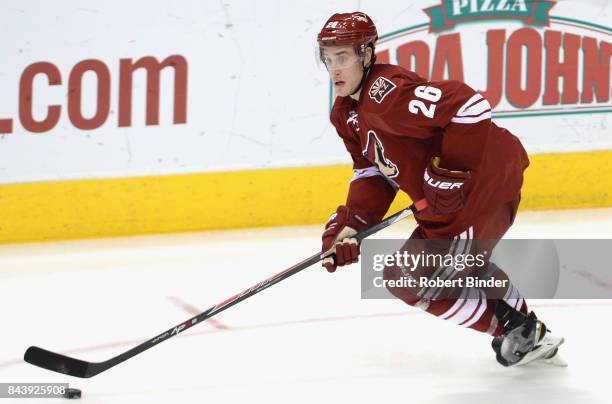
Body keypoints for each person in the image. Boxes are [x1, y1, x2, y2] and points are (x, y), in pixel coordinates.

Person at [317, 11, 565, 367]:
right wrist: (354, 222)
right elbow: (372, 171)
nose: (334, 69)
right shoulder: (345, 113)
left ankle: (521, 330)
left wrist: (450, 172)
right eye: (327, 58)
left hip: (480, 189)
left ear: (367, 54)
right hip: (452, 203)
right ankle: (527, 332)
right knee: (453, 268)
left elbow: (470, 105)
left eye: (343, 57)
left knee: (410, 279)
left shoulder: (386, 94)